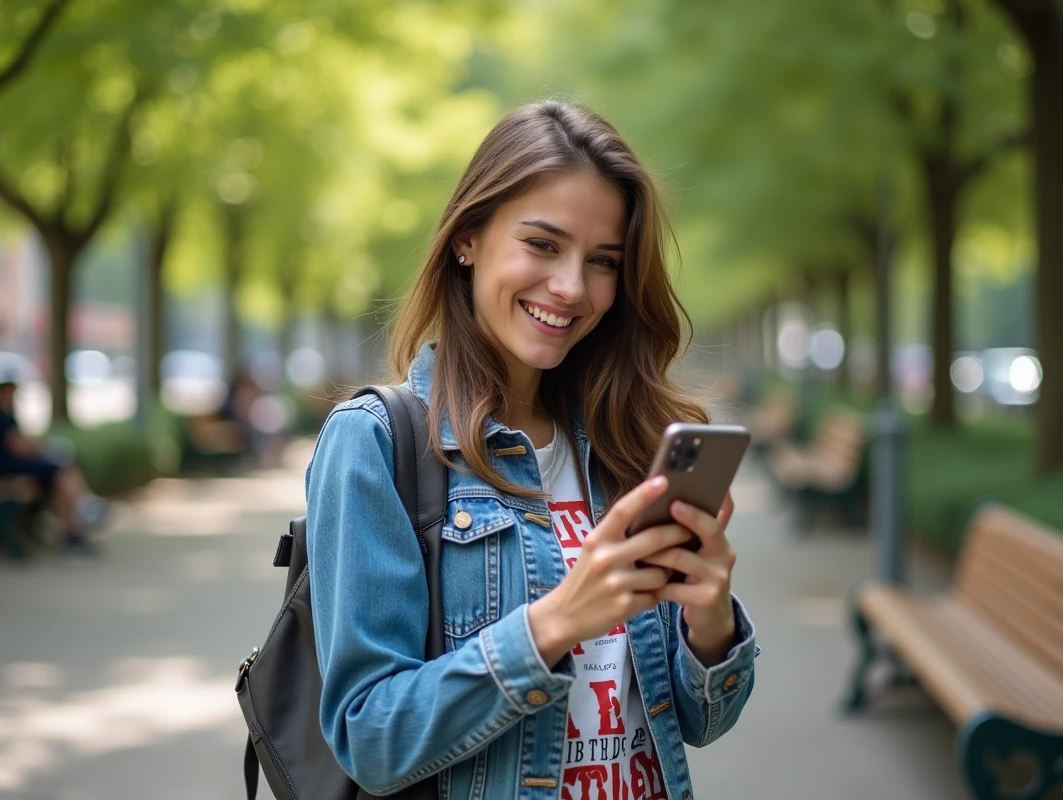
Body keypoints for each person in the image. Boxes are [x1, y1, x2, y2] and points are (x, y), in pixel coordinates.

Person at [306, 101, 759, 799]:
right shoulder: (375, 442)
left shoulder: (624, 441)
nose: (572, 287)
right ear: (468, 238)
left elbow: (699, 722)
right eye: (543, 245)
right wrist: (554, 623)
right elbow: (368, 737)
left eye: (602, 260)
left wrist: (711, 617)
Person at [0, 377, 106, 556]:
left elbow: (21, 443)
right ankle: (84, 511)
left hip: (10, 468)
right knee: (61, 471)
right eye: (11, 392)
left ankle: (76, 527)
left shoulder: (4, 414)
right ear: (1, 393)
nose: (14, 397)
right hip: (2, 472)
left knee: (61, 473)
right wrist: (46, 450)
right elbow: (18, 446)